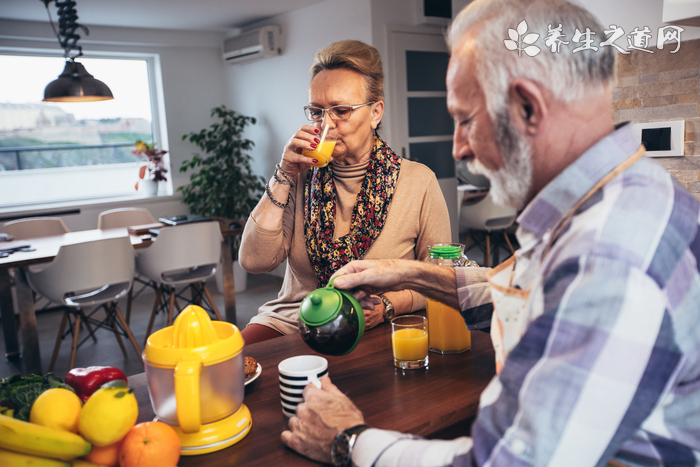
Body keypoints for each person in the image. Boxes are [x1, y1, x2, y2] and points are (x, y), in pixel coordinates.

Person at [280, 0, 700, 465]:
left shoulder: (610, 254)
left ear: (527, 107)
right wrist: (407, 273)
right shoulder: (613, 195)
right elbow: (522, 291)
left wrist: (349, 440)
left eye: (464, 120)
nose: (459, 148)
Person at [238, 40, 453, 344]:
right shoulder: (299, 176)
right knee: (227, 367)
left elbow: (440, 276)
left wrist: (390, 304)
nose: (326, 123)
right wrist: (283, 173)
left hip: (373, 324)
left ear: (376, 112)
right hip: (296, 318)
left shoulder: (418, 181)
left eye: (341, 110)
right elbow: (253, 261)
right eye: (316, 111)